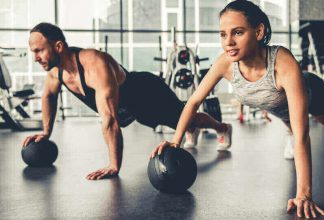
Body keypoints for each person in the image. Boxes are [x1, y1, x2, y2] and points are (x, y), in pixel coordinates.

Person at [150, 0, 324, 218]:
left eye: (237, 32)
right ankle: (288, 130)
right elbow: (192, 102)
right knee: (286, 117)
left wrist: (304, 195)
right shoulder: (225, 63)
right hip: (280, 109)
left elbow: (303, 136)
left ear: (258, 32)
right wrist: (175, 141)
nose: (228, 42)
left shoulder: (283, 63)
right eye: (223, 34)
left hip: (313, 94)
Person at [22, 22, 232, 180]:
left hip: (146, 93)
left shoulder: (94, 64)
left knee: (188, 119)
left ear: (58, 46)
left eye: (39, 51)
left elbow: (109, 120)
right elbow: (49, 96)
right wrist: (46, 132)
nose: (35, 58)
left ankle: (221, 127)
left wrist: (114, 166)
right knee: (182, 123)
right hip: (127, 107)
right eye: (33, 52)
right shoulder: (55, 74)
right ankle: (189, 129)